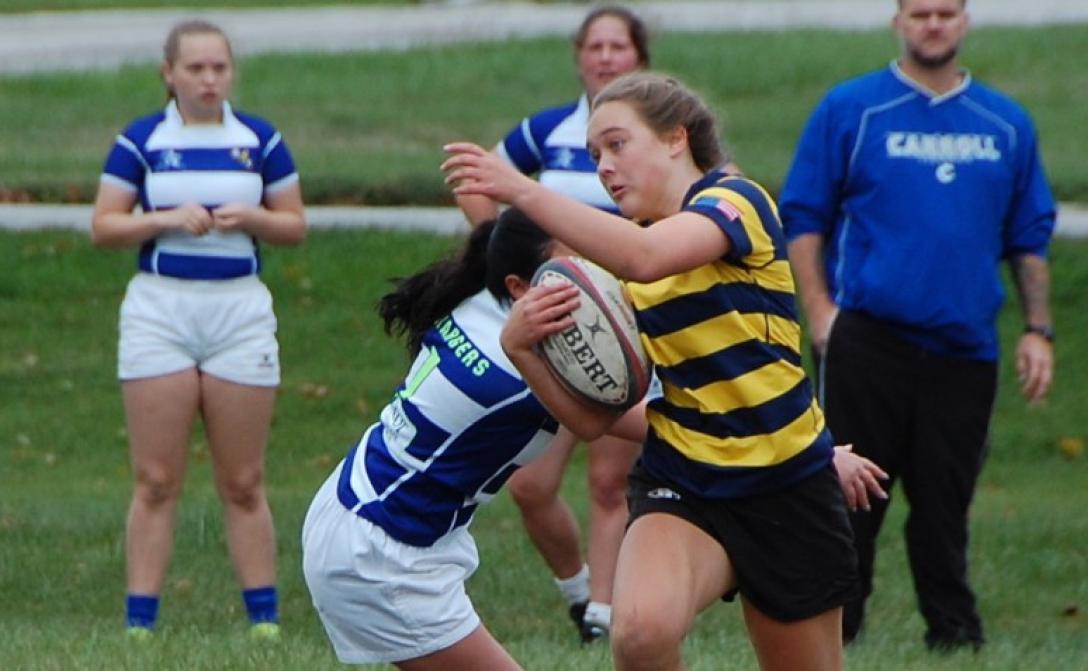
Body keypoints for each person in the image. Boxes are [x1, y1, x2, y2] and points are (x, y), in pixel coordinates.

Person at [444, 72, 888, 671]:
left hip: (786, 487)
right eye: (594, 155)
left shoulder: (736, 203)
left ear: (677, 138)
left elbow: (648, 258)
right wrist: (523, 352)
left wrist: (520, 190)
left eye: (616, 144)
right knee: (640, 635)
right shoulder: (625, 269)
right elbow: (597, 421)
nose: (604, 166)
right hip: (685, 481)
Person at [779, 0, 1057, 650]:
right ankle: (833, 635)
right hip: (869, 341)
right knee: (849, 500)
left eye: (946, 12)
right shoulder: (852, 109)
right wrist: (819, 313)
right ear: (898, 21)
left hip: (965, 349)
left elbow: (1028, 237)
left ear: (965, 21)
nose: (934, 24)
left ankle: (954, 636)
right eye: (921, 12)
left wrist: (1037, 329)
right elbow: (805, 218)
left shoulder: (1005, 124)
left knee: (944, 505)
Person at [302, 210, 597, 670]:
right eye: (570, 268)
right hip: (382, 552)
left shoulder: (480, 302)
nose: (588, 279)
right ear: (520, 287)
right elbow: (621, 422)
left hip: (359, 507)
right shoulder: (520, 374)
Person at [90, 19, 306, 640]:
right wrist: (163, 220)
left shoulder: (260, 139)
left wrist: (253, 218)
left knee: (243, 480)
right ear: (169, 73)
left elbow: (294, 225)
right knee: (157, 480)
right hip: (161, 311)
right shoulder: (142, 140)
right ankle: (140, 624)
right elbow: (105, 225)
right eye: (195, 69)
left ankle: (264, 622)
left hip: (239, 312)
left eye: (219, 68)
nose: (209, 80)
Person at [456, 4, 651, 643]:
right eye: (595, 47)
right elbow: (474, 182)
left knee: (609, 480)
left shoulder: (655, 135)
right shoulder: (549, 130)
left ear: (640, 58)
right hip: (559, 327)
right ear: (578, 57)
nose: (606, 58)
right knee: (531, 485)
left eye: (618, 47)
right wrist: (502, 251)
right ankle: (577, 591)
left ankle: (602, 616)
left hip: (628, 325)